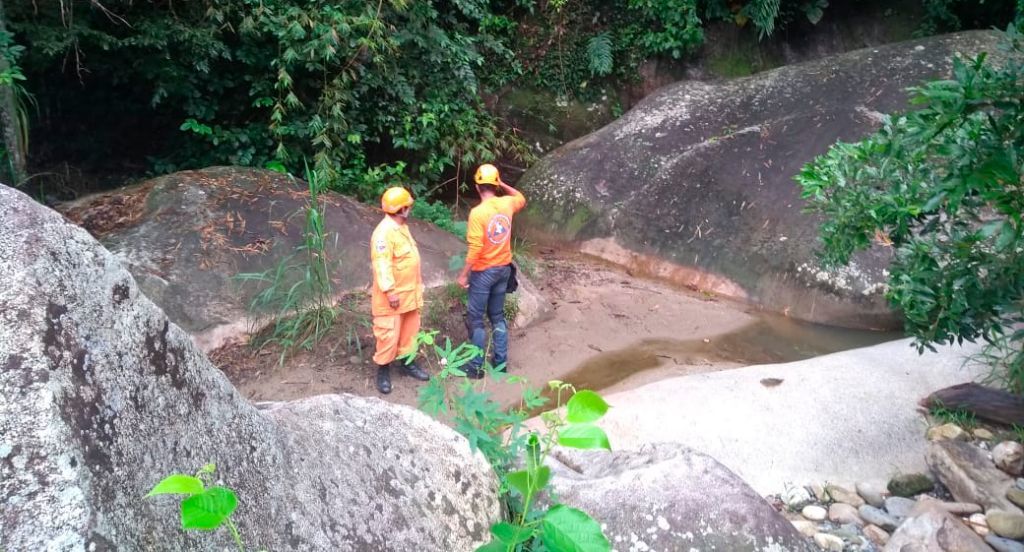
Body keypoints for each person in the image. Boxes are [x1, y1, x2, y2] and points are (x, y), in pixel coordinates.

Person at [457, 163, 526, 378]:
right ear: (496, 185)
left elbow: (476, 247)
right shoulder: (507, 203)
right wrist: (502, 184)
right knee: (496, 315)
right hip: (503, 270)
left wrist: (463, 273)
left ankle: (476, 367)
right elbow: (521, 197)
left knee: (476, 318)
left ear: (477, 187)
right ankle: (500, 362)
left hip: (484, 272)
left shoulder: (477, 213)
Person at [369, 186, 430, 394]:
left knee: (410, 332)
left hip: (410, 293)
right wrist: (390, 291)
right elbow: (382, 264)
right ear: (401, 209)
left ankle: (407, 363)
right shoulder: (383, 233)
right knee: (388, 335)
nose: (410, 209)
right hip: (393, 296)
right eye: (408, 206)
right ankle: (383, 370)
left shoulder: (401, 227)